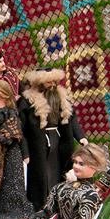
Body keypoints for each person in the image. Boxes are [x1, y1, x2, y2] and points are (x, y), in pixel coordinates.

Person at [18, 68, 88, 211]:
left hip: (60, 139)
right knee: (42, 173)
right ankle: (42, 205)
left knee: (59, 170)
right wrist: (25, 152)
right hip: (38, 143)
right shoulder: (27, 101)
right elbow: (21, 130)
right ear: (39, 83)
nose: (53, 85)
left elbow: (72, 119)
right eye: (49, 82)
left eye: (55, 82)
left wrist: (80, 136)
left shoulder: (61, 97)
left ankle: (61, 201)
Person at [0, 80, 32, 219]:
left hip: (10, 152)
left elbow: (15, 132)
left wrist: (0, 138)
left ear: (3, 94)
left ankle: (17, 213)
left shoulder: (11, 112)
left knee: (11, 182)